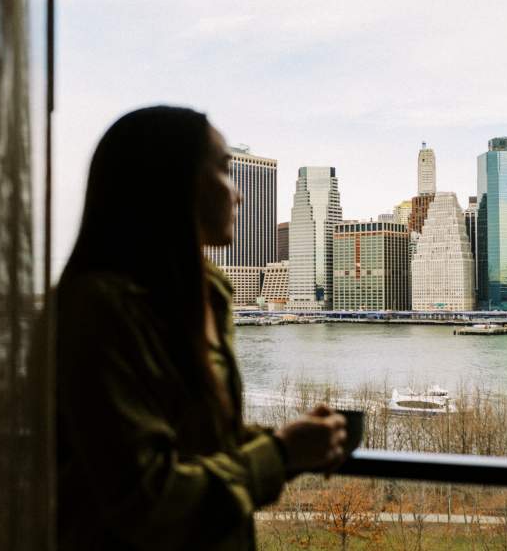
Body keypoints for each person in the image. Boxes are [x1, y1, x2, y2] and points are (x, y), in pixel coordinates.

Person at [56, 106, 347, 550]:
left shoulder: (209, 295)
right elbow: (147, 498)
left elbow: (202, 445)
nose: (241, 196)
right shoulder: (98, 310)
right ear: (173, 183)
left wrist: (288, 442)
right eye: (226, 171)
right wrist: (282, 453)